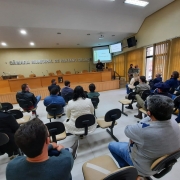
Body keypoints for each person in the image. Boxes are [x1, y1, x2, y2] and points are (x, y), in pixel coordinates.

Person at [108, 95, 180, 177]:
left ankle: (128, 171)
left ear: (148, 113)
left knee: (111, 145)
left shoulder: (143, 131)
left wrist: (147, 117)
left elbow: (127, 130)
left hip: (144, 169)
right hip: (160, 165)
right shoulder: (174, 123)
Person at [6, 118, 79, 180]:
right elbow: (67, 156)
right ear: (48, 140)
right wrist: (62, 149)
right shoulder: (65, 161)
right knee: (57, 152)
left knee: (51, 152)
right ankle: (70, 150)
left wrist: (50, 146)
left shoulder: (11, 166)